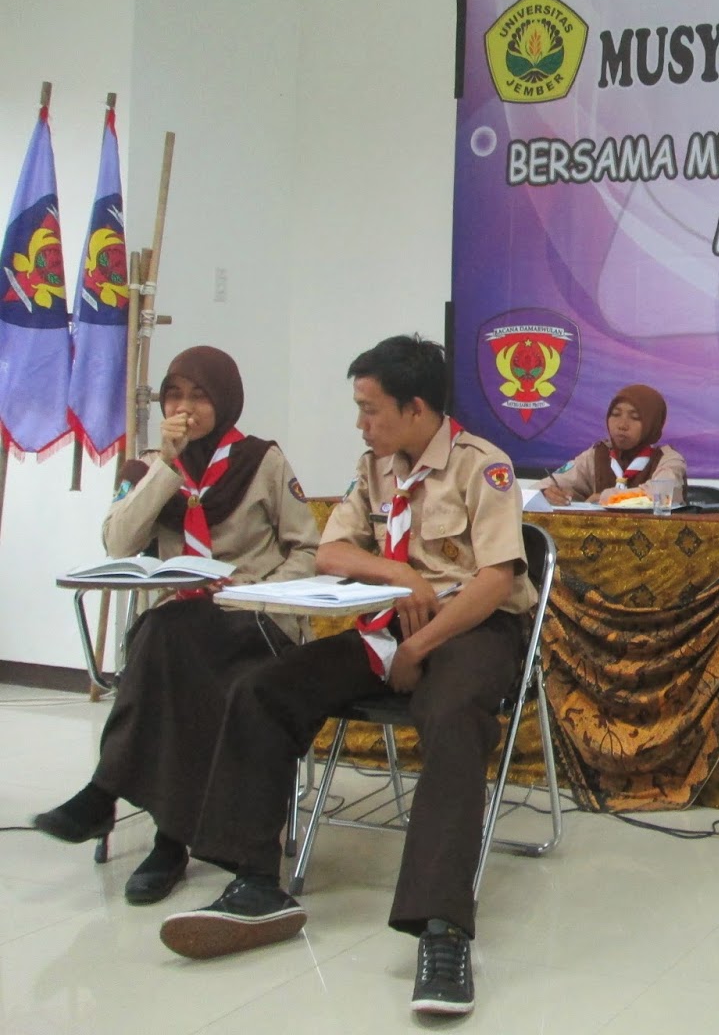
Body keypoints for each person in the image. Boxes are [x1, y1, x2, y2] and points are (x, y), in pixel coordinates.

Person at [156, 334, 534, 1018]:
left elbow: (496, 581)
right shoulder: (375, 468)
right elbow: (331, 551)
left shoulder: (484, 465)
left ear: (416, 408)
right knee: (264, 689)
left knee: (451, 719)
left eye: (370, 409)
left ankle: (442, 930)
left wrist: (422, 647)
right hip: (391, 622)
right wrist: (397, 572)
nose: (360, 423)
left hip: (470, 628)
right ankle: (255, 882)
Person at [33, 347, 318, 904]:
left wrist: (256, 594)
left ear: (226, 400)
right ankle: (168, 836)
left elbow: (306, 548)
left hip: (253, 622)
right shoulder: (147, 467)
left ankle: (121, 806)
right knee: (173, 644)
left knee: (162, 641)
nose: (185, 408)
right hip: (183, 628)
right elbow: (118, 543)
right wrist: (166, 464)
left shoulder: (262, 460)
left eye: (199, 396)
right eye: (174, 396)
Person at [540, 383, 686, 504]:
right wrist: (548, 493)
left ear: (652, 424)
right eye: (615, 414)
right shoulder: (597, 455)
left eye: (635, 417)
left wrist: (608, 498)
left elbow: (662, 495)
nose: (622, 425)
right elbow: (540, 487)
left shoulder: (668, 460)